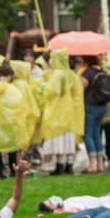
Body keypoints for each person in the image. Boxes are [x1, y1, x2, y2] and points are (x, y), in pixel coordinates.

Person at [41, 48, 83, 176]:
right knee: (68, 139)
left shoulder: (57, 74)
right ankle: (69, 165)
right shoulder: (71, 74)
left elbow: (53, 90)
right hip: (70, 112)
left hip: (58, 111)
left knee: (58, 137)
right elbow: (78, 92)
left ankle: (59, 165)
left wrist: (44, 90)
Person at [79, 54, 109, 174]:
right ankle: (100, 164)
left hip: (90, 106)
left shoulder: (88, 73)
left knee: (87, 134)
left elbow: (80, 89)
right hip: (102, 106)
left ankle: (92, 164)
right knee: (97, 133)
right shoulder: (103, 71)